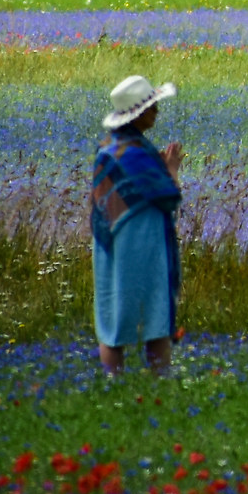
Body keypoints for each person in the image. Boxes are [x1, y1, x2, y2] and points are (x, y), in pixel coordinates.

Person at [91, 75, 185, 376]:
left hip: (112, 246)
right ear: (138, 113)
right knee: (155, 308)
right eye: (152, 107)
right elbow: (169, 196)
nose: (157, 112)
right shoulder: (138, 154)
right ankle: (160, 379)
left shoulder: (108, 149)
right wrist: (170, 169)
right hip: (143, 243)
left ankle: (112, 384)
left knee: (113, 310)